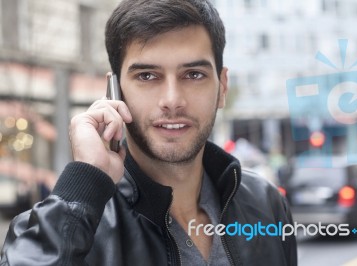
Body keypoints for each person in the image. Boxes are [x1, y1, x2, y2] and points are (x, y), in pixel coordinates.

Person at [0, 0, 297, 265]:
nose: (172, 100)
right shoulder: (76, 225)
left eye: (193, 74)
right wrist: (84, 184)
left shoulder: (265, 202)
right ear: (114, 92)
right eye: (147, 76)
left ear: (222, 87)